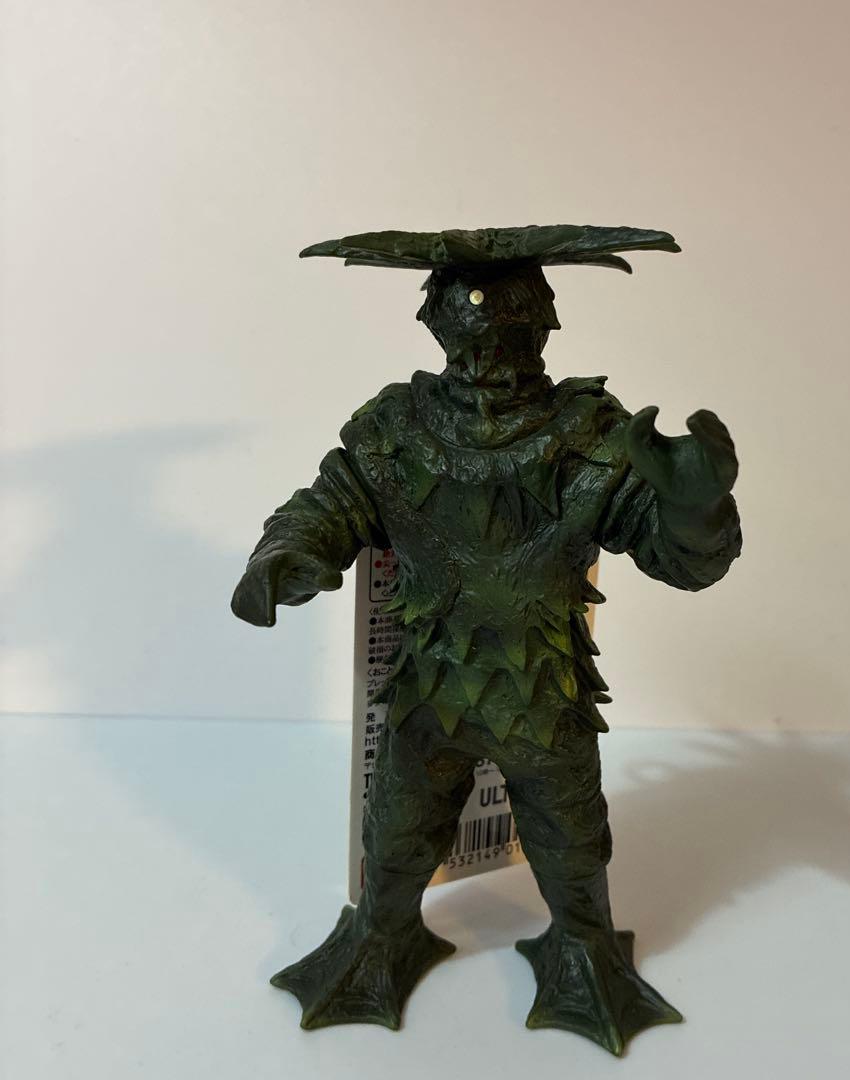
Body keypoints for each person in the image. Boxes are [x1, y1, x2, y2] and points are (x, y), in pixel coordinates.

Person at [232, 225, 742, 1055]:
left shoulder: (587, 437)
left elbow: (679, 560)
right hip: (426, 689)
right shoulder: (395, 432)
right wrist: (287, 554)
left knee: (571, 842)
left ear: (542, 327)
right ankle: (379, 937)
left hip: (547, 694)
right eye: (472, 334)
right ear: (436, 326)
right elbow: (329, 503)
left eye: (511, 332)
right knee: (396, 832)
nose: (490, 355)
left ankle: (583, 951)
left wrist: (694, 506)